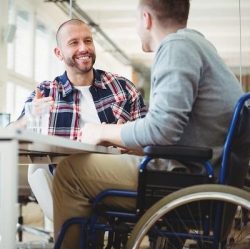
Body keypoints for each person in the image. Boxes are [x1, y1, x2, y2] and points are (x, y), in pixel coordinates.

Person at [53, 0, 243, 248]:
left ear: (146, 19)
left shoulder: (176, 47)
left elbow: (161, 129)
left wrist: (100, 130)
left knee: (70, 172)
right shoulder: (200, 46)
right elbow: (173, 129)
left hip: (185, 179)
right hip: (206, 172)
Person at [12, 19, 146, 222]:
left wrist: (122, 140)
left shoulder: (123, 88)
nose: (84, 48)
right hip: (65, 185)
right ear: (58, 53)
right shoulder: (46, 92)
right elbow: (11, 134)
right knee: (37, 170)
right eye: (74, 43)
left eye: (88, 41)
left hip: (114, 182)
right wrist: (27, 118)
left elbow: (151, 142)